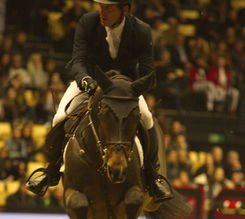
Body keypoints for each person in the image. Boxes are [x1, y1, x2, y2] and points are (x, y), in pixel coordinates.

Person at [26, 0, 173, 202]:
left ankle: (152, 176)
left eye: (109, 8)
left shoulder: (141, 30)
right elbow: (77, 60)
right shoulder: (87, 22)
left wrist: (133, 88)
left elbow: (148, 73)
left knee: (147, 118)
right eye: (101, 7)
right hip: (90, 81)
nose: (103, 12)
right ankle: (51, 171)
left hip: (125, 88)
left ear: (125, 10)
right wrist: (86, 80)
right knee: (60, 117)